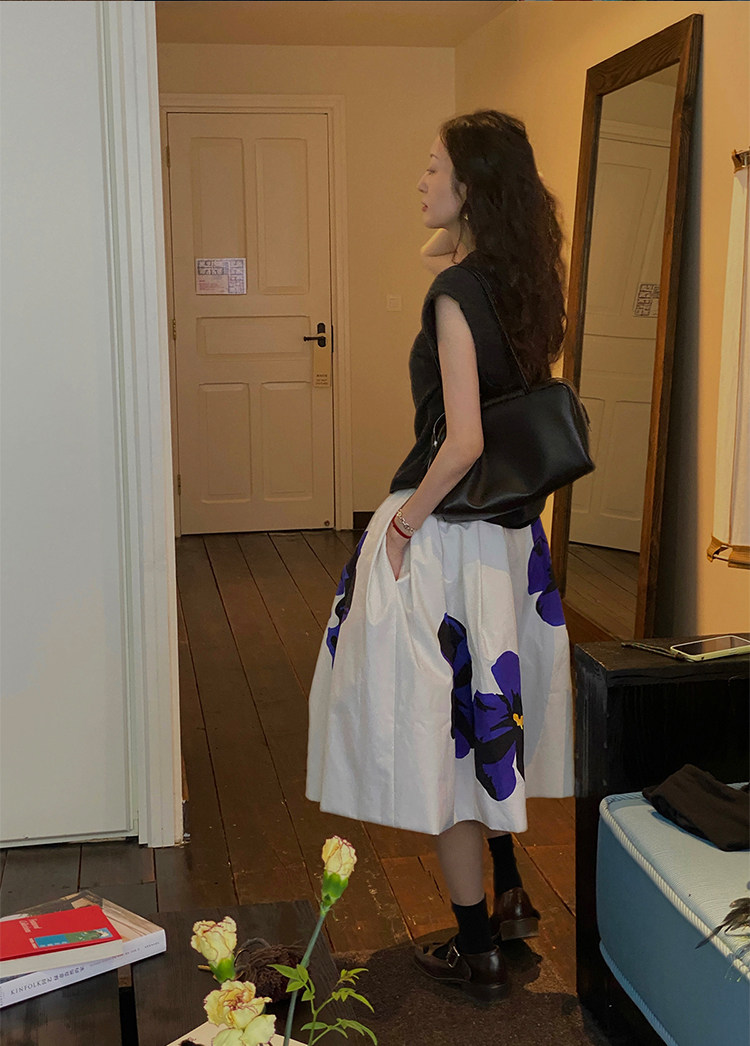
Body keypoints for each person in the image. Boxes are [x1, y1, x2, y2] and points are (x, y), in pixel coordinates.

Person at [306, 110, 574, 1003]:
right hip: (509, 541)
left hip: (450, 534)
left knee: (445, 742)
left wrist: (399, 528)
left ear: (472, 187)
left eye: (434, 168)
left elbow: (461, 442)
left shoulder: (458, 293)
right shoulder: (524, 286)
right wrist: (463, 227)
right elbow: (445, 255)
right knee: (487, 722)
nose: (420, 182)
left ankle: (478, 950)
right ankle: (513, 896)